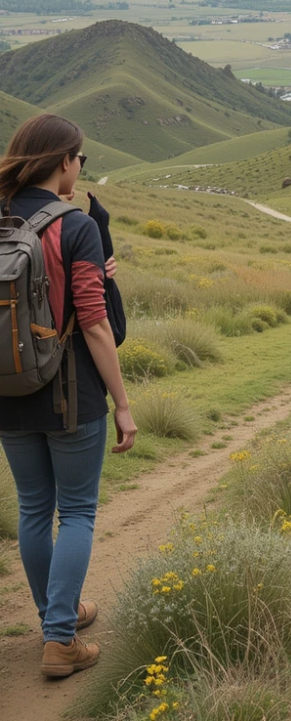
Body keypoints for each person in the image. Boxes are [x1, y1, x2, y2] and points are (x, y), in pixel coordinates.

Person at [0, 113, 137, 678]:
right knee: (76, 510)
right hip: (70, 394)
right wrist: (123, 404)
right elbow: (97, 325)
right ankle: (60, 640)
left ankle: (58, 615)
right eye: (80, 159)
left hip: (7, 392)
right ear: (63, 160)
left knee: (34, 507)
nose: (81, 169)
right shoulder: (75, 226)